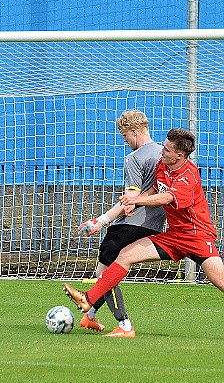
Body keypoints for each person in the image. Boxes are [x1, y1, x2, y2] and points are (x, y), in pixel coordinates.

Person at [63, 128, 224, 332]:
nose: (161, 151)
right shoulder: (163, 165)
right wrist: (135, 204)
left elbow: (166, 198)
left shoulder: (188, 176)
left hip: (198, 237)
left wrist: (137, 199)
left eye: (166, 149)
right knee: (125, 255)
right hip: (174, 236)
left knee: (220, 281)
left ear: (180, 155)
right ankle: (90, 300)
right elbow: (156, 190)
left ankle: (100, 310)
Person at [64, 110, 166, 338]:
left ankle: (125, 325)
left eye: (125, 137)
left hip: (129, 223)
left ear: (135, 132)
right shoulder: (163, 153)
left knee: (106, 273)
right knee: (106, 272)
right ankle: (90, 318)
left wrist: (100, 221)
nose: (125, 141)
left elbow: (130, 200)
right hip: (155, 224)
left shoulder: (134, 159)